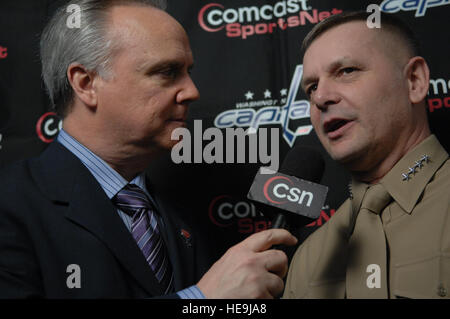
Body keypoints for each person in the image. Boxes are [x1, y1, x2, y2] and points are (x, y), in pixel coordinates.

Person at [0, 0, 297, 299]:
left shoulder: (183, 213)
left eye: (187, 71)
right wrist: (200, 300)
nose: (192, 91)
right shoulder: (11, 205)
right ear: (86, 83)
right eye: (167, 72)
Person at [283, 11, 450, 299]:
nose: (321, 98)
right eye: (311, 88)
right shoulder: (307, 258)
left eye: (346, 71)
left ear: (414, 81)